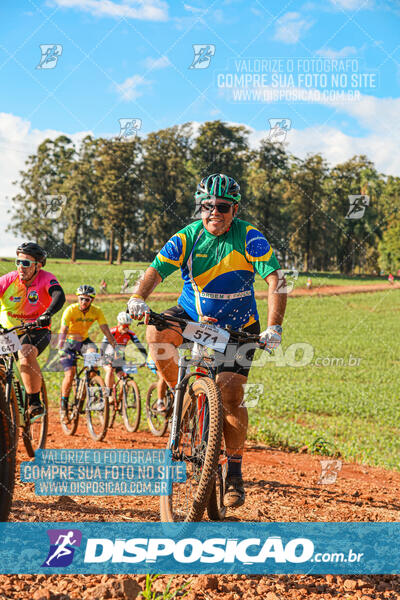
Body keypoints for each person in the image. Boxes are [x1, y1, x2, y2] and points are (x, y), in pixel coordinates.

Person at [128, 173, 287, 509]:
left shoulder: (249, 237)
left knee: (230, 394)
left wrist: (274, 327)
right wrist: (139, 297)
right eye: (207, 205)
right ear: (199, 207)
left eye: (223, 206)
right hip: (192, 314)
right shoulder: (187, 237)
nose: (215, 211)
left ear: (235, 208)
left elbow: (276, 280)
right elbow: (156, 270)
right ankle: (179, 392)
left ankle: (235, 472)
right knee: (156, 331)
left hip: (238, 324)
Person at [0, 242, 65, 417]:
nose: (21, 267)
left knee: (26, 353)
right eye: (18, 262)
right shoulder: (8, 280)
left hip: (36, 329)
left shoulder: (46, 278)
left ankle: (34, 401)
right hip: (8, 332)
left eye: (26, 263)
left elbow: (59, 295)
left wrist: (48, 313)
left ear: (38, 265)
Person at [57, 285, 117, 419]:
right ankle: (63, 405)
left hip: (84, 341)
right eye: (81, 299)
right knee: (70, 374)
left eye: (87, 300)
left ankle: (91, 396)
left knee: (93, 366)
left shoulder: (97, 311)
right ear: (78, 298)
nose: (84, 302)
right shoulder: (70, 310)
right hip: (69, 342)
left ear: (92, 300)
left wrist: (114, 344)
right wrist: (60, 346)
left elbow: (105, 329)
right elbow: (63, 330)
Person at [100, 311, 148, 398]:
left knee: (123, 376)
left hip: (119, 355)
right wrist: (103, 358)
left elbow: (140, 347)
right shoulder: (112, 332)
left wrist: (146, 359)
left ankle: (121, 400)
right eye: (124, 326)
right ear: (119, 323)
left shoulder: (130, 333)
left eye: (128, 326)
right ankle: (108, 394)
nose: (126, 328)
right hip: (108, 355)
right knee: (110, 370)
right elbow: (103, 347)